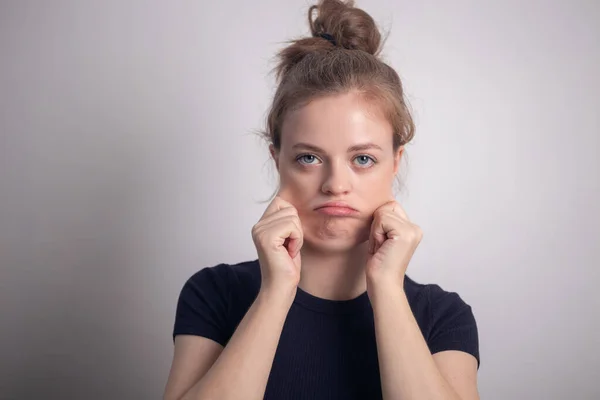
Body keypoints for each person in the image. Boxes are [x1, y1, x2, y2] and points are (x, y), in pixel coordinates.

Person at [163, 1, 480, 399]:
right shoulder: (215, 292)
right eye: (309, 158)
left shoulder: (442, 315)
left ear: (395, 162)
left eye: (362, 159)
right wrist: (277, 291)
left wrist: (386, 288)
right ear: (277, 158)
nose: (335, 184)